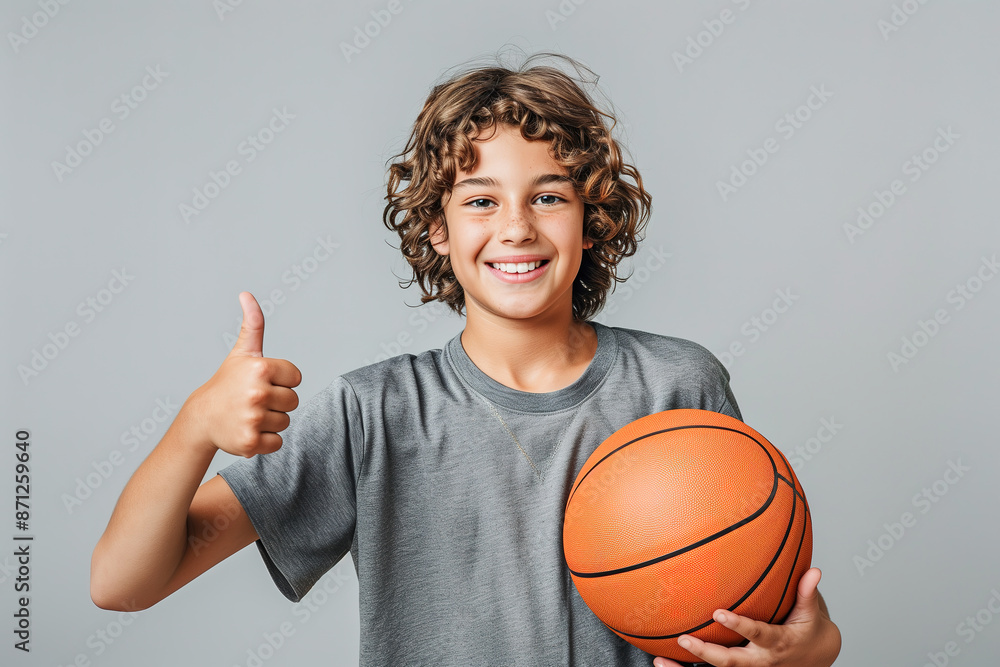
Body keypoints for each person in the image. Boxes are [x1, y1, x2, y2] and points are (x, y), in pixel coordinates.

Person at [90, 51, 841, 666]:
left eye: (549, 196)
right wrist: (195, 426)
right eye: (480, 200)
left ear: (591, 215)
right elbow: (121, 581)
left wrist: (811, 650)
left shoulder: (679, 384)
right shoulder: (374, 414)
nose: (516, 226)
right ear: (437, 229)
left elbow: (784, 612)